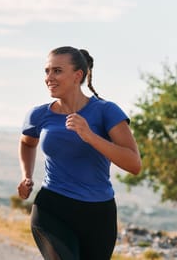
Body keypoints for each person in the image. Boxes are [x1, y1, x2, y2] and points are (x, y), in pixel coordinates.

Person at [17, 46, 141, 260]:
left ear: (78, 75)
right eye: (46, 71)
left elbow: (134, 164)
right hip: (52, 207)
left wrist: (90, 136)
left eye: (57, 71)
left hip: (98, 214)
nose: (49, 78)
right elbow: (27, 143)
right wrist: (26, 175)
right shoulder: (39, 115)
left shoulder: (106, 112)